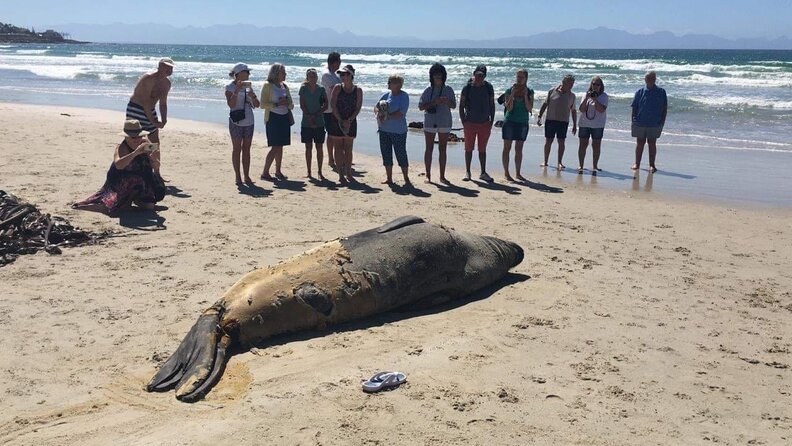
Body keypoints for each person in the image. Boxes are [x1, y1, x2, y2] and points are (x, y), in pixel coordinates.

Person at [73, 120, 165, 214]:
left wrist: (153, 157)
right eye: (133, 137)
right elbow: (119, 165)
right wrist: (135, 153)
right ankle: (86, 206)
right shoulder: (121, 147)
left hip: (142, 179)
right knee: (113, 206)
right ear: (127, 137)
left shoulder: (145, 143)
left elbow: (156, 166)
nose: (137, 139)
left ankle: (134, 200)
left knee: (149, 206)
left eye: (139, 136)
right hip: (121, 180)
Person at [126, 57, 173, 176]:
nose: (169, 69)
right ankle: (129, 168)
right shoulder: (148, 78)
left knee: (154, 142)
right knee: (133, 140)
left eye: (171, 67)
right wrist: (154, 121)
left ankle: (156, 172)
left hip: (150, 110)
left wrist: (164, 119)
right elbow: (146, 101)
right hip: (136, 109)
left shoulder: (166, 84)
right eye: (166, 67)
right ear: (160, 66)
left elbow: (163, 103)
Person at [419, 63, 456, 184]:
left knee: (443, 149)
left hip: (444, 121)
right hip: (430, 121)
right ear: (432, 77)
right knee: (428, 148)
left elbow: (454, 105)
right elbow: (421, 106)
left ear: (443, 76)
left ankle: (442, 176)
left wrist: (446, 101)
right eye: (435, 77)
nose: (438, 79)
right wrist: (434, 102)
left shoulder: (448, 89)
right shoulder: (428, 90)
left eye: (440, 76)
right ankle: (428, 175)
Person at [225, 63, 260, 185]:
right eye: (246, 72)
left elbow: (257, 105)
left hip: (249, 120)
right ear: (238, 74)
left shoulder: (249, 87)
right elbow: (231, 104)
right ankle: (238, 176)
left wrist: (253, 97)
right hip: (236, 121)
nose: (248, 74)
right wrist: (237, 90)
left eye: (248, 72)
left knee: (246, 149)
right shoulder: (229, 87)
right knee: (237, 149)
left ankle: (246, 176)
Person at [459, 65, 495, 182]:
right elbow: (461, 104)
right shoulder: (467, 87)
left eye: (482, 75)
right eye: (477, 75)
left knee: (482, 149)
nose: (479, 77)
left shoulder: (489, 87)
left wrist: (491, 120)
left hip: (485, 123)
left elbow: (492, 104)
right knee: (468, 149)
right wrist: (463, 121)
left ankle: (483, 172)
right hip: (470, 122)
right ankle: (467, 172)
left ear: (485, 76)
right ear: (474, 74)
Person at [328, 64, 363, 184]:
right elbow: (333, 105)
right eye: (341, 74)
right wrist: (340, 120)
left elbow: (358, 107)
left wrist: (349, 120)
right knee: (338, 148)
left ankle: (348, 173)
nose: (342, 76)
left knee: (348, 148)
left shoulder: (358, 90)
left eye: (345, 74)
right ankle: (340, 175)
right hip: (337, 120)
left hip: (351, 121)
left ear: (351, 75)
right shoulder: (337, 88)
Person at [260, 63, 294, 181]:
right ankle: (265, 172)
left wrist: (287, 103)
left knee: (280, 146)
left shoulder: (284, 86)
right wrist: (276, 104)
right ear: (276, 73)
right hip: (273, 118)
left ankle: (278, 171)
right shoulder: (268, 86)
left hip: (284, 117)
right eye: (283, 72)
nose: (285, 75)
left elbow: (291, 104)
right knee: (275, 146)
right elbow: (262, 104)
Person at [376, 74, 411, 186]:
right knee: (386, 154)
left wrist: (387, 116)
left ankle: (406, 178)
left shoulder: (404, 96)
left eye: (391, 81)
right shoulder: (386, 95)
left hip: (398, 131)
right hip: (384, 130)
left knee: (401, 154)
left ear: (398, 84)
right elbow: (376, 107)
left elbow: (401, 113)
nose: (389, 83)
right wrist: (379, 113)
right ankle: (389, 178)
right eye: (389, 81)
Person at [537, 74, 577, 169]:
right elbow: (545, 104)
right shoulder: (552, 91)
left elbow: (573, 110)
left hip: (563, 121)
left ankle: (560, 162)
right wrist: (539, 116)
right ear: (563, 83)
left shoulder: (572, 96)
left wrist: (575, 124)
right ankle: (545, 161)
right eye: (569, 83)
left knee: (561, 142)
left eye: (572, 84)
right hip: (550, 120)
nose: (571, 86)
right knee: (548, 141)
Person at [501, 69, 534, 182]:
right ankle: (506, 173)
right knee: (507, 147)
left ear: (526, 78)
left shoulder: (529, 91)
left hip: (523, 121)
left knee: (519, 148)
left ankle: (518, 173)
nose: (519, 79)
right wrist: (512, 95)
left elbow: (529, 109)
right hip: (510, 121)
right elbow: (509, 108)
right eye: (518, 77)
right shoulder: (509, 90)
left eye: (521, 77)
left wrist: (525, 96)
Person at [631, 71, 667, 173]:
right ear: (645, 80)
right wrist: (633, 120)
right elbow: (634, 107)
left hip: (654, 122)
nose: (649, 80)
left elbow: (664, 108)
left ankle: (652, 165)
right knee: (640, 143)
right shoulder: (640, 92)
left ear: (655, 79)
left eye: (651, 78)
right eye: (647, 78)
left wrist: (663, 121)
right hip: (640, 121)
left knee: (652, 143)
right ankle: (637, 163)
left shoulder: (661, 92)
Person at [299, 68, 328, 179]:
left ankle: (320, 171)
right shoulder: (303, 89)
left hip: (319, 121)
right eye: (311, 76)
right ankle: (309, 171)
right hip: (306, 122)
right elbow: (302, 105)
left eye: (314, 76)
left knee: (319, 147)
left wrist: (315, 115)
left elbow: (326, 105)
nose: (313, 78)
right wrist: (309, 117)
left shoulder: (321, 89)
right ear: (307, 78)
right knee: (308, 147)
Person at [577, 76, 608, 174]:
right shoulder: (585, 95)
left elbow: (601, 109)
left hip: (598, 125)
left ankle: (595, 165)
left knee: (596, 145)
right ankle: (581, 165)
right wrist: (587, 98)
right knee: (583, 145)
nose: (595, 86)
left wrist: (595, 100)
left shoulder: (604, 96)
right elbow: (581, 109)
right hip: (584, 124)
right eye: (593, 84)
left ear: (601, 86)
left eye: (597, 84)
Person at [321, 52, 342, 172]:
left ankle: (336, 157)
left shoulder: (335, 74)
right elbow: (335, 89)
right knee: (331, 134)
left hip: (336, 108)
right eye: (338, 61)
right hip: (328, 109)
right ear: (333, 62)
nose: (339, 64)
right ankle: (330, 158)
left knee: (336, 134)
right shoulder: (326, 75)